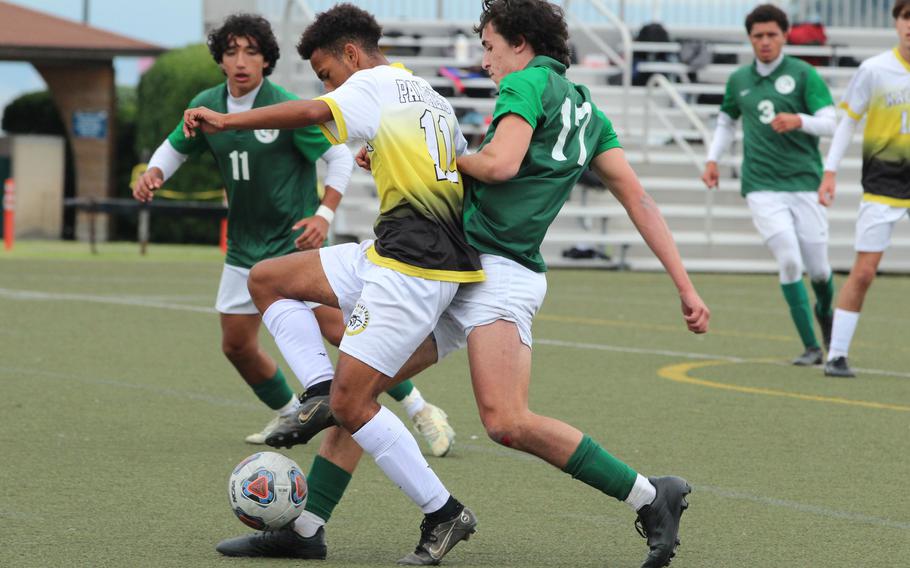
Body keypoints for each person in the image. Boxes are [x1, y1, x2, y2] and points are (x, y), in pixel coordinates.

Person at [223, 1, 711, 566]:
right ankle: (306, 529)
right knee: (353, 396)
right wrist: (686, 285)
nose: (484, 61)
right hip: (460, 266)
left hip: (497, 276)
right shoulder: (590, 114)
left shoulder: (527, 85)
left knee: (506, 421)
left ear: (522, 45)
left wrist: (444, 156)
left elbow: (499, 165)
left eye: (489, 46)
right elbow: (639, 199)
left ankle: (652, 495)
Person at [182, 4, 482, 565]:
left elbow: (307, 111)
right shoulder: (429, 97)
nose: (329, 86)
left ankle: (443, 513)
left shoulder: (370, 81)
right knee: (268, 278)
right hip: (398, 251)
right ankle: (310, 476)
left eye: (326, 72)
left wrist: (225, 119)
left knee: (355, 402)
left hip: (413, 267)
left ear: (350, 54)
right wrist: (387, 160)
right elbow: (456, 170)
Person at [132, 13, 455, 455]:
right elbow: (177, 144)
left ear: (267, 61)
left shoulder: (284, 104)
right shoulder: (208, 102)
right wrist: (154, 172)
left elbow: (336, 155)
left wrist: (324, 214)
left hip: (292, 242)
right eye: (231, 52)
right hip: (244, 247)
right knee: (237, 345)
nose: (241, 61)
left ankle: (419, 409)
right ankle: (293, 408)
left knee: (342, 334)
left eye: (252, 51)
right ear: (220, 61)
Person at [701, 3, 838, 366]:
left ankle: (828, 320)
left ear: (784, 35)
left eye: (771, 35)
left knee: (821, 271)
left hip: (805, 182)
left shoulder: (804, 74)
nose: (765, 42)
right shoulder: (739, 80)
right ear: (750, 38)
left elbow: (831, 122)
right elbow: (726, 123)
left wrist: (799, 121)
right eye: (758, 36)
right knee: (790, 261)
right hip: (762, 185)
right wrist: (713, 158)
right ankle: (811, 348)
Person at [817, 0, 910, 378]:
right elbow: (847, 122)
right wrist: (830, 171)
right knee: (865, 272)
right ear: (897, 23)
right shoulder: (874, 69)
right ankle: (836, 355)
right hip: (883, 184)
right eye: (907, 18)